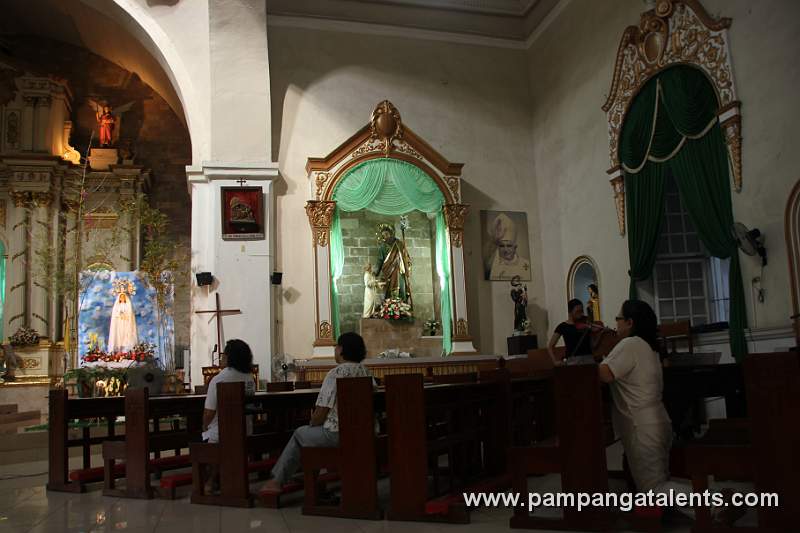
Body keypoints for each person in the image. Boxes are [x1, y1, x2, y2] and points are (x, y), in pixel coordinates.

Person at [263, 332, 373, 492]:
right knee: (309, 434)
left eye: (336, 347)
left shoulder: (335, 374)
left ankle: (278, 481)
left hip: (337, 435)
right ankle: (312, 476)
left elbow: (321, 412)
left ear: (341, 349)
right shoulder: (367, 373)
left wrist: (312, 423)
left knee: (301, 433)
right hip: (363, 433)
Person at [202, 339, 256, 493]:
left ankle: (210, 481)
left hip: (221, 434)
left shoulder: (219, 379)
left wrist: (204, 426)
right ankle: (220, 478)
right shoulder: (249, 378)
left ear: (229, 357)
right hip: (245, 430)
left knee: (203, 437)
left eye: (224, 354)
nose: (221, 357)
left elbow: (209, 413)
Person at [547, 299, 600, 364]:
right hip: (573, 360)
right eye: (577, 312)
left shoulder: (586, 323)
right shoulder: (563, 326)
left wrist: (598, 331)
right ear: (570, 311)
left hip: (589, 359)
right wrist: (555, 361)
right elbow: (550, 346)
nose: (581, 314)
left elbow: (594, 344)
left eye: (581, 311)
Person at [487, 213, 531, 281]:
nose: (505, 250)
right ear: (498, 248)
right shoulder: (492, 267)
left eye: (509, 245)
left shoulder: (525, 264)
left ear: (515, 247)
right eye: (502, 246)